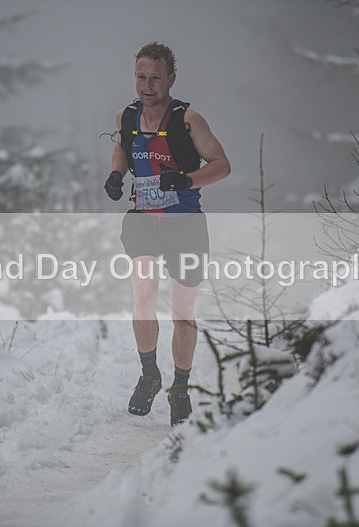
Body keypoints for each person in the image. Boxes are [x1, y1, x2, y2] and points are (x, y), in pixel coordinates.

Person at [105, 42, 230, 426]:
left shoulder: (188, 119)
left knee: (182, 314)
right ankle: (149, 374)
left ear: (171, 79)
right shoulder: (126, 116)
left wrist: (187, 179)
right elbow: (123, 149)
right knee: (143, 295)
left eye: (156, 77)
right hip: (143, 220)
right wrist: (115, 174)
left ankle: (179, 387)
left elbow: (222, 165)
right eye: (141, 77)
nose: (147, 85)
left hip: (185, 224)